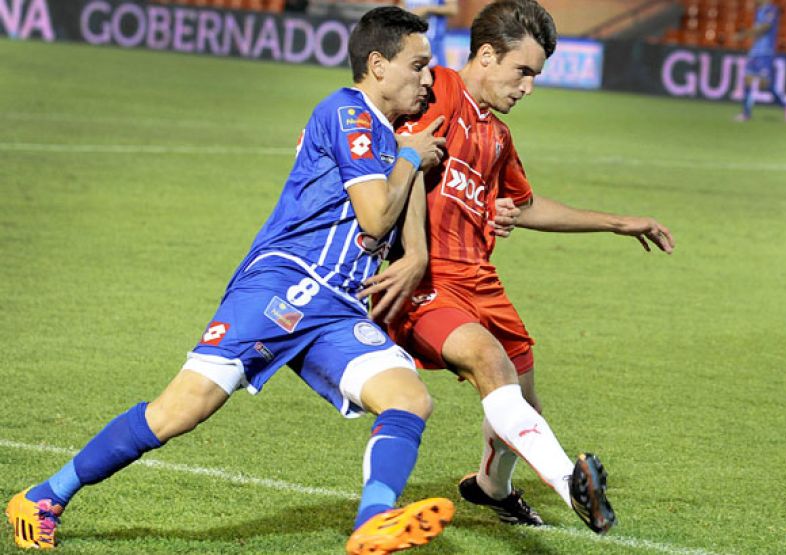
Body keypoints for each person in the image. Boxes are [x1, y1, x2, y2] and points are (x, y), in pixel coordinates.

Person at [6, 7, 452, 555]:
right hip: (286, 283)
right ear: (378, 65)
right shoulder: (348, 114)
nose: (428, 78)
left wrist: (413, 178)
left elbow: (397, 222)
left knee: (409, 399)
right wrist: (410, 158)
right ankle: (44, 497)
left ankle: (373, 523)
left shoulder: (386, 137)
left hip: (338, 307)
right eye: (419, 65)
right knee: (178, 411)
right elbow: (374, 218)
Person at [360, 0, 675, 535]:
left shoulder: (497, 136)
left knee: (524, 402)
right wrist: (405, 246)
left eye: (535, 75)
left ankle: (491, 489)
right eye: (522, 71)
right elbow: (375, 139)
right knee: (490, 361)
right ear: (485, 55)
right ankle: (568, 483)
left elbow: (523, 204)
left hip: (482, 281)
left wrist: (618, 222)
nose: (527, 86)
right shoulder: (431, 90)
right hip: (425, 283)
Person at [734, 0, 786, 122]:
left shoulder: (771, 9)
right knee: (747, 79)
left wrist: (745, 34)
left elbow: (765, 27)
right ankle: (746, 113)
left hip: (765, 52)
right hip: (755, 50)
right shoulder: (759, 10)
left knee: (765, 84)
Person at [401, 0, 459, 68]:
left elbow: (453, 9)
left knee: (436, 75)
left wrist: (427, 9)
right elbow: (401, 6)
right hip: (409, 41)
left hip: (433, 43)